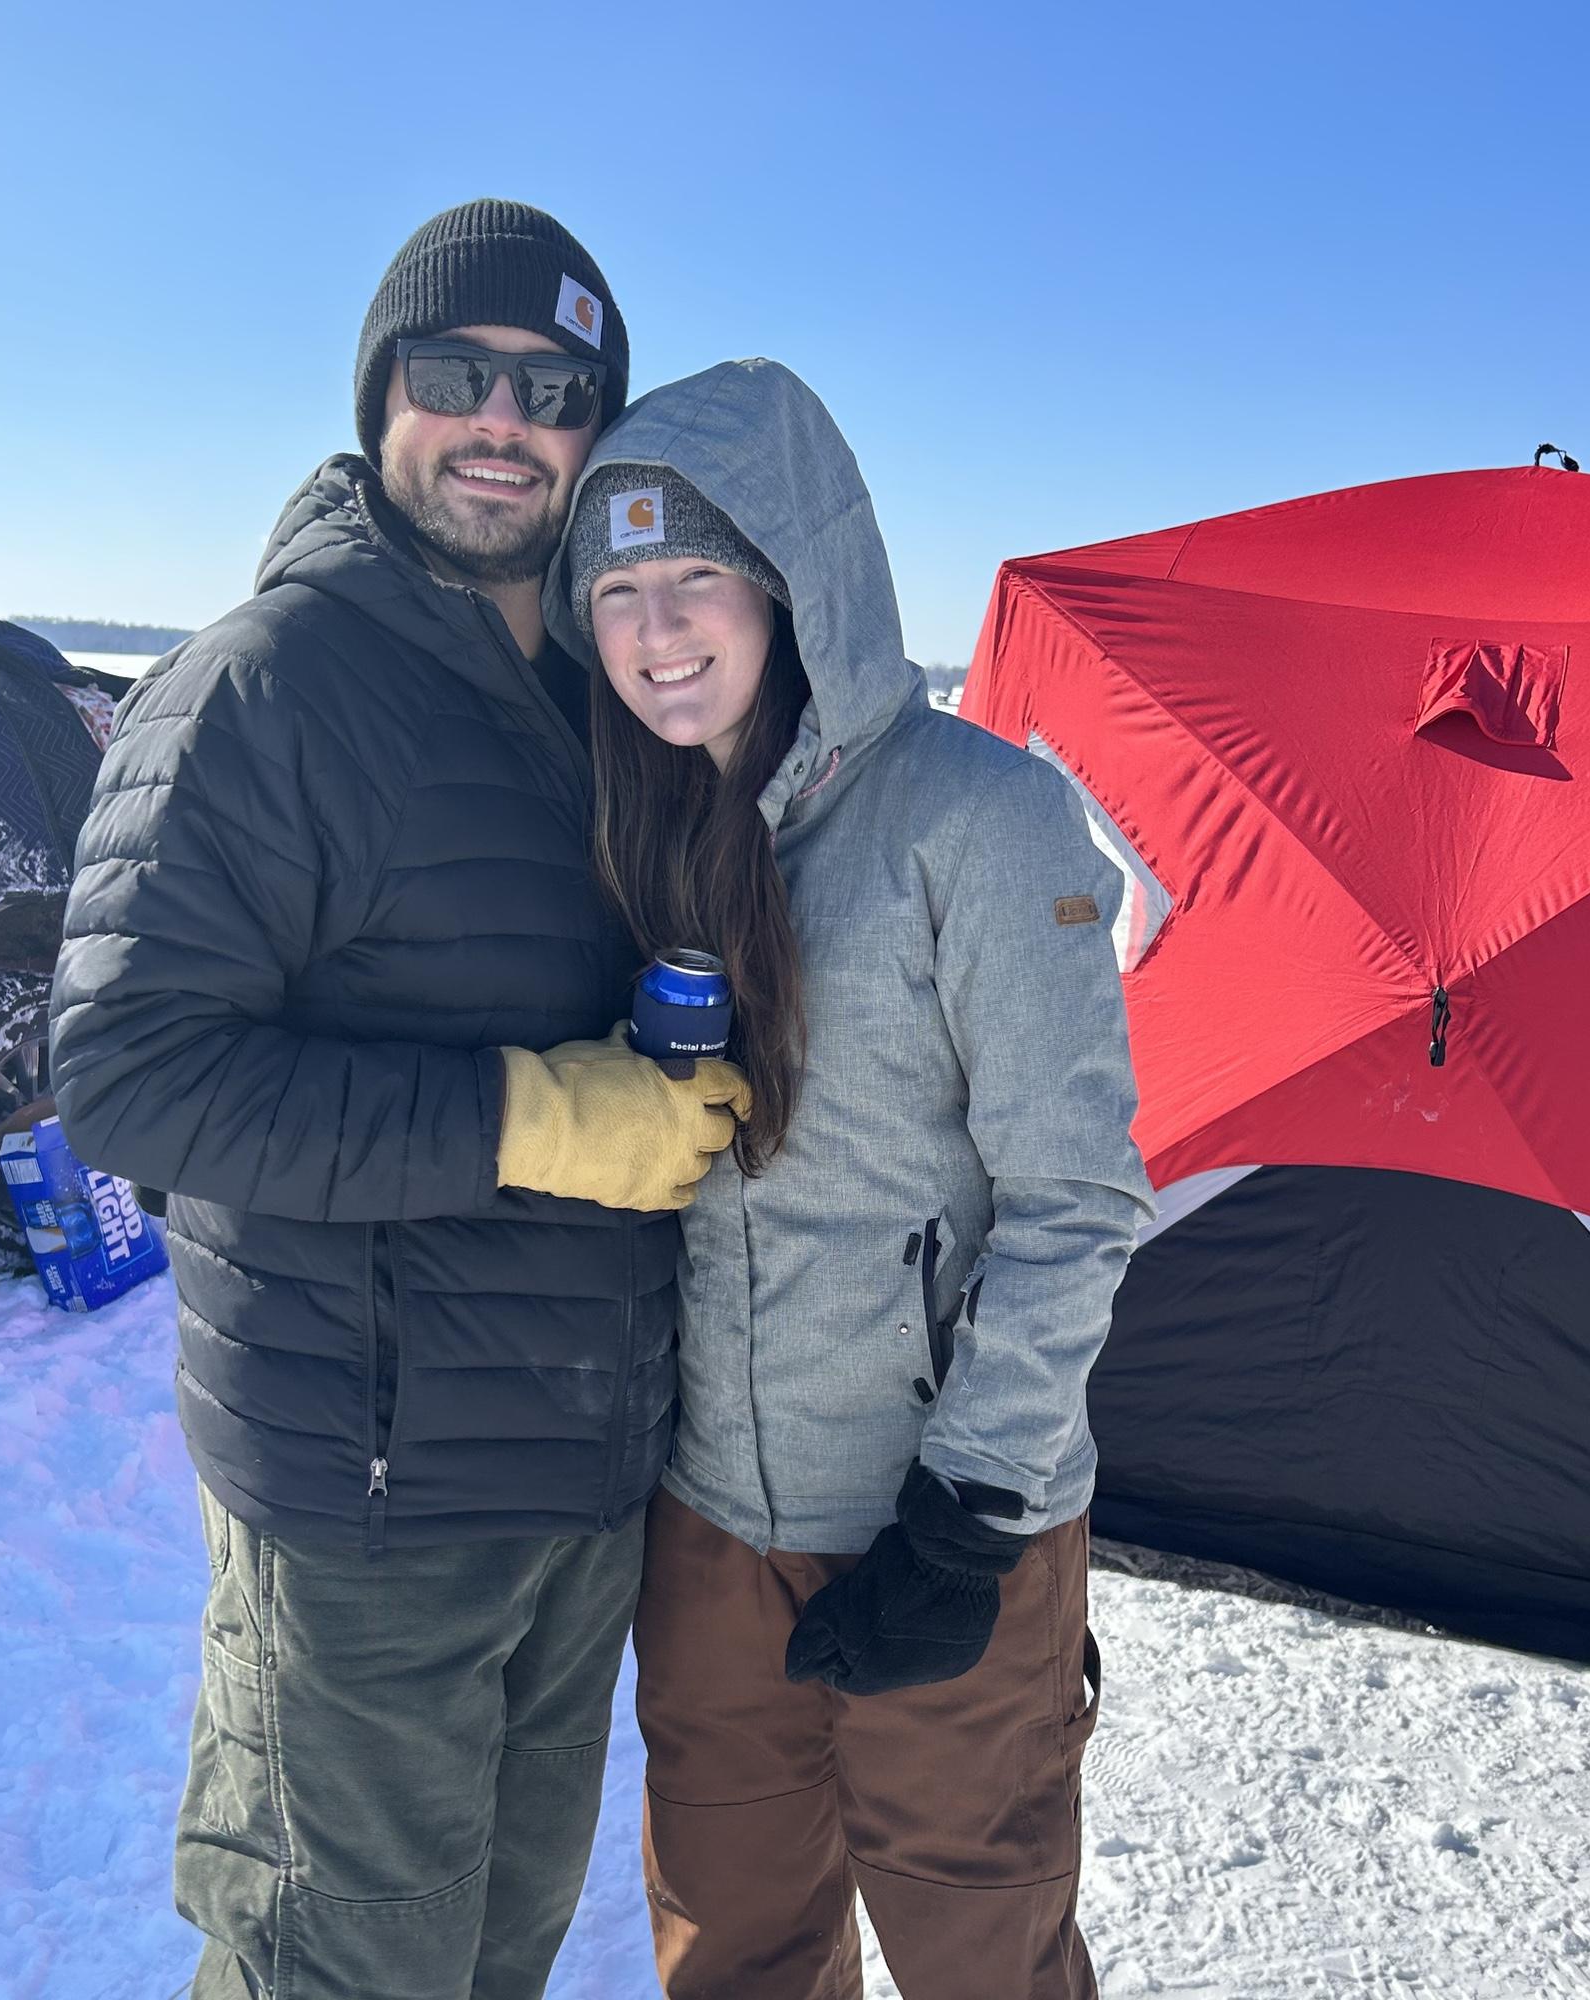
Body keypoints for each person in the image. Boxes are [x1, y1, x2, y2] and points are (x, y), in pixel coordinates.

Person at [47, 200, 750, 2000]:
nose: (504, 421)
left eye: (555, 387)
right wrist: (526, 1116)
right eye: (458, 376)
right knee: (333, 1975)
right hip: (367, 1506)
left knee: (497, 1959)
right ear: (383, 399)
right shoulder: (265, 689)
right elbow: (129, 1074)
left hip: (580, 1487)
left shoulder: (614, 686)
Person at [548, 359, 1156, 2000]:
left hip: (944, 1526)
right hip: (709, 1539)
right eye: (615, 590)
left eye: (697, 579)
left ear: (794, 584)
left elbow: (1079, 1199)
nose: (657, 628)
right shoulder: (639, 826)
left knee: (985, 1957)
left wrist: (968, 1522)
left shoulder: (982, 816)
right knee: (735, 1953)